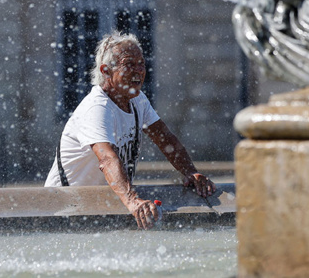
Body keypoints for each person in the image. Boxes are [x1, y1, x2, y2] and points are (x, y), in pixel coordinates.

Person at [45, 31, 216, 229]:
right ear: (106, 70)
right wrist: (133, 201)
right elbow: (107, 159)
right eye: (129, 64)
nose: (139, 71)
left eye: (141, 63)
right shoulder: (96, 108)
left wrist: (190, 173)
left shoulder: (137, 100)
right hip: (61, 209)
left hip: (99, 204)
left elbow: (166, 140)